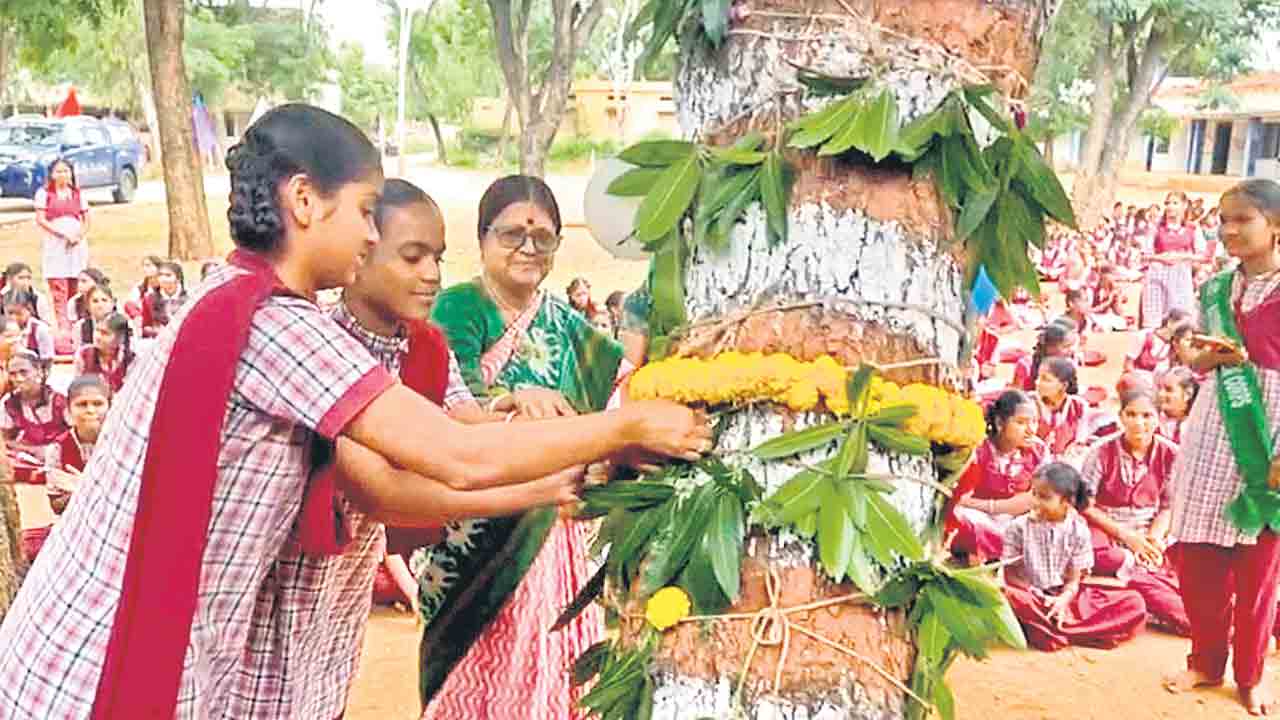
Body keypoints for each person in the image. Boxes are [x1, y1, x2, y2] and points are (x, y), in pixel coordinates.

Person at [0, 104, 709, 718]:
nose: (372, 236)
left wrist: (570, 452)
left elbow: (463, 429)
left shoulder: (234, 301)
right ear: (305, 202)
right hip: (106, 664)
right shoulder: (281, 327)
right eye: (367, 212)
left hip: (95, 642)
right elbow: (451, 456)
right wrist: (625, 425)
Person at [236, 178, 586, 718]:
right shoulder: (328, 348)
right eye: (413, 256)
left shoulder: (423, 345)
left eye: (438, 259)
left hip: (346, 575)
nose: (431, 276)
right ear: (362, 252)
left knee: (320, 695)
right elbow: (387, 493)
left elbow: (468, 424)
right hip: (284, 576)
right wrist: (551, 480)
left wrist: (564, 439)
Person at [422, 175, 632, 719]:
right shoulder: (460, 308)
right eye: (513, 234)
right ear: (484, 238)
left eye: (544, 239)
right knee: (480, 657)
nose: (528, 249)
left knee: (556, 657)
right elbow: (447, 399)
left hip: (558, 521)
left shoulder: (569, 324)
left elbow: (620, 384)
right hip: (482, 524)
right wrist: (513, 398)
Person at [1162, 179, 1280, 716]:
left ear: (1276, 226)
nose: (1229, 229)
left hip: (1271, 431)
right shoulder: (1216, 290)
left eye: (1244, 219)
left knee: (1258, 563)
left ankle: (1250, 674)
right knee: (1197, 555)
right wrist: (1206, 358)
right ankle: (1205, 661)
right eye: (1223, 219)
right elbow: (1198, 362)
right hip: (1214, 427)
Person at [1002, 462, 1148, 651]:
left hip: (1066, 599)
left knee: (1134, 602)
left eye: (1044, 497)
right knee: (1011, 597)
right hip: (1031, 596)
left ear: (1066, 501)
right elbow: (1011, 576)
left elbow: (1073, 581)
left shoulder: (1079, 531)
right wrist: (1039, 597)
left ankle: (1054, 630)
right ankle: (1063, 628)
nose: (1036, 501)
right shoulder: (1018, 527)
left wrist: (1062, 600)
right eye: (1034, 494)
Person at [1081, 388, 1188, 635]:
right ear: (1120, 416)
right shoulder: (1101, 450)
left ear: (1159, 418)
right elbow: (1085, 504)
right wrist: (1126, 537)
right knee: (1107, 556)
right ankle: (1176, 610)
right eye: (1131, 414)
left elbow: (1168, 506)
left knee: (1184, 557)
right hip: (1106, 527)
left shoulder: (1171, 453)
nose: (1139, 423)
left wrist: (1153, 539)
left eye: (1147, 416)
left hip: (1149, 525)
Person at [946, 390, 1046, 563]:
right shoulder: (977, 449)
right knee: (966, 523)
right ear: (1000, 423)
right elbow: (957, 498)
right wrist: (995, 507)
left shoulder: (1039, 451)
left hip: (1013, 520)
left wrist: (1000, 508)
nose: (1031, 430)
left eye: (1035, 422)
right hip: (977, 516)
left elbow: (1035, 500)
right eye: (1021, 423)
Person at [21, 374, 109, 563]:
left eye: (98, 403)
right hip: (76, 525)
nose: (90, 410)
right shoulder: (57, 448)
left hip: (113, 524)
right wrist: (94, 490)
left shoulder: (120, 443)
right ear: (68, 411)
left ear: (110, 406)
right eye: (82, 404)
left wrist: (82, 487)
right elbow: (57, 506)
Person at [32, 158, 90, 335]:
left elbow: (87, 220)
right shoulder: (44, 194)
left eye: (66, 171)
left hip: (76, 244)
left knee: (75, 281)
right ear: (51, 174)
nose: (62, 175)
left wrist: (78, 235)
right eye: (58, 171)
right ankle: (63, 326)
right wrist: (61, 234)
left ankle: (76, 323)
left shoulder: (78, 194)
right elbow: (41, 219)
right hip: (55, 243)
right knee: (58, 284)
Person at [0, 349, 68, 479]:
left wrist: (51, 450)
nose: (18, 379)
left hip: (62, 454)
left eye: (24, 372)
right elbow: (5, 439)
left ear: (40, 372)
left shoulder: (60, 399)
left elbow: (76, 434)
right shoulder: (10, 403)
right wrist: (33, 450)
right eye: (13, 374)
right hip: (30, 456)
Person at [1141, 191, 1201, 328]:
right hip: (1157, 275)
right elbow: (1145, 253)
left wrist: (1183, 256)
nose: (1170, 207)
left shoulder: (1192, 228)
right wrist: (1160, 257)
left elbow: (1203, 255)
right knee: (1153, 321)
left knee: (1182, 322)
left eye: (1175, 203)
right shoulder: (1156, 227)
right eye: (1167, 203)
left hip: (1181, 276)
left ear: (1184, 206)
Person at [1035, 356, 1088, 463]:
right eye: (1038, 377)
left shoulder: (1079, 406)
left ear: (1063, 386)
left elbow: (1079, 441)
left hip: (1068, 461)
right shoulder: (1030, 403)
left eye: (1046, 379)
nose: (1037, 383)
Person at [1125, 308, 1193, 382]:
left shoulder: (1175, 345)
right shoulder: (1144, 335)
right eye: (1182, 327)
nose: (1183, 331)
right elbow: (1128, 365)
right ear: (1170, 322)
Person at [1012, 319, 1079, 392]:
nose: (1071, 350)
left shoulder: (1069, 364)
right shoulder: (1025, 365)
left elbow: (1072, 393)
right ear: (1050, 347)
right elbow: (1017, 396)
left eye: (1070, 346)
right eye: (1065, 347)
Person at [73, 312, 133, 394]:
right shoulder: (83, 354)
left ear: (120, 338)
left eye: (105, 333)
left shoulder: (129, 360)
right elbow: (77, 387)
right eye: (97, 330)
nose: (98, 337)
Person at [140, 261, 189, 338]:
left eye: (168, 275)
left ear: (178, 278)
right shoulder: (149, 299)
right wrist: (157, 332)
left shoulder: (189, 299)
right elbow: (145, 327)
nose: (163, 279)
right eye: (160, 275)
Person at [3, 293, 55, 362]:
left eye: (18, 313)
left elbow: (48, 359)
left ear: (29, 310)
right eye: (10, 313)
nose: (14, 317)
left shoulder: (41, 329)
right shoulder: (5, 329)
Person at [0, 263, 53, 327]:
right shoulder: (2, 296)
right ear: (9, 279)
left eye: (28, 278)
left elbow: (48, 323)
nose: (25, 282)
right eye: (21, 278)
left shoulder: (39, 298)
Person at [1155, 367, 1197, 445]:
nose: (1161, 394)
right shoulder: (1152, 420)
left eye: (1168, 389)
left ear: (1188, 394)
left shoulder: (1193, 428)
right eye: (1160, 388)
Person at [73, 284, 117, 352]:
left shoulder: (123, 324)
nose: (100, 305)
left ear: (112, 303)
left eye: (104, 300)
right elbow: (78, 354)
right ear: (88, 305)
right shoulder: (80, 326)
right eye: (95, 301)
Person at [124, 254, 163, 320]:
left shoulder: (165, 283)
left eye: (148, 265)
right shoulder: (141, 286)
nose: (145, 269)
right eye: (144, 266)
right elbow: (129, 303)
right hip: (143, 317)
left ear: (158, 267)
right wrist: (136, 315)